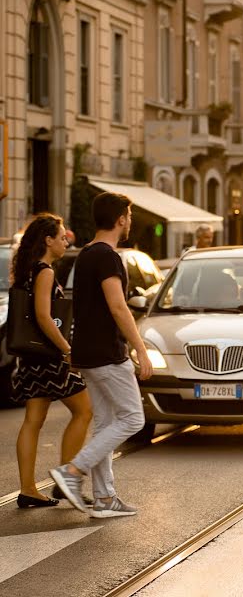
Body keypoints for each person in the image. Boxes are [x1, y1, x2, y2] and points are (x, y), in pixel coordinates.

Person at [49, 192, 153, 518]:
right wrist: (140, 347)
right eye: (130, 216)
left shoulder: (86, 254)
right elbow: (118, 306)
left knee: (107, 423)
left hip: (87, 352)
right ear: (121, 218)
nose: (130, 221)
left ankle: (105, 498)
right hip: (107, 353)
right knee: (133, 418)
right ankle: (72, 472)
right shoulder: (108, 256)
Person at [10, 214, 92, 508]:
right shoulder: (44, 272)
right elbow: (44, 317)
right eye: (61, 237)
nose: (65, 241)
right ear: (48, 241)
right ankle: (65, 479)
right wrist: (67, 349)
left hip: (31, 358)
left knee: (33, 420)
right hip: (50, 358)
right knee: (85, 410)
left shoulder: (28, 270)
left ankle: (28, 488)